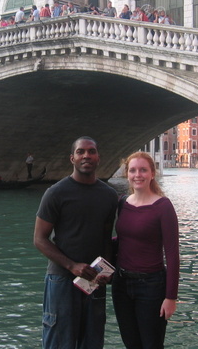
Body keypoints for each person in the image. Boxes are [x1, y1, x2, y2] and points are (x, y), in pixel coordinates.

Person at [34, 137, 118, 349]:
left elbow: (106, 237)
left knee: (92, 341)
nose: (86, 156)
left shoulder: (109, 195)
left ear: (98, 158)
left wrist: (106, 272)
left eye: (91, 152)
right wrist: (72, 265)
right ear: (72, 158)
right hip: (61, 279)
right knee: (59, 342)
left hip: (93, 281)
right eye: (81, 152)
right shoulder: (55, 193)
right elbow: (39, 239)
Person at [112, 151, 180, 349]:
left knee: (151, 344)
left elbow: (173, 254)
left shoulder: (163, 206)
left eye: (143, 170)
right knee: (131, 343)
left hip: (151, 286)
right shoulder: (123, 202)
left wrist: (170, 297)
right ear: (127, 174)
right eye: (133, 170)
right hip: (121, 284)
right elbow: (125, 238)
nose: (137, 175)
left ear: (152, 173)